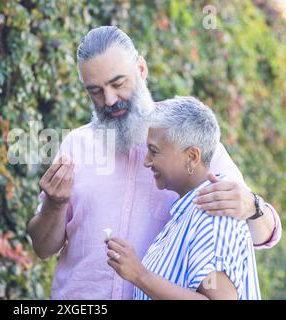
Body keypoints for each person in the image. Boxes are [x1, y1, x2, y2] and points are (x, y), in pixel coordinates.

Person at [27, 26, 281, 299]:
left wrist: (252, 207)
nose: (109, 100)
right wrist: (54, 205)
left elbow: (253, 235)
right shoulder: (75, 146)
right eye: (95, 91)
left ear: (141, 68)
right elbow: (43, 248)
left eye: (118, 83)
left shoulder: (186, 142)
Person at [107, 96, 260, 299]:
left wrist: (139, 275)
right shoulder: (187, 214)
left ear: (192, 157)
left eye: (154, 151)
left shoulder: (212, 214)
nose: (146, 161)